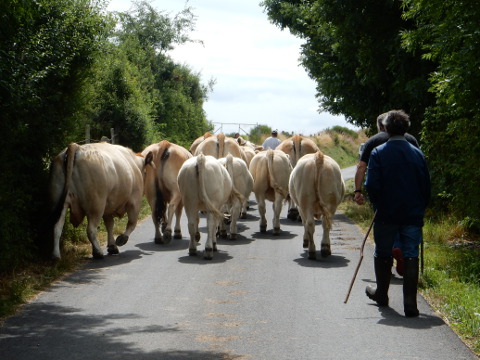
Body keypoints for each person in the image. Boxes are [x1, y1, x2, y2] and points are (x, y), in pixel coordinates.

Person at [364, 110, 430, 317]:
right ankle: (410, 303)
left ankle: (381, 294)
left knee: (383, 252)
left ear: (385, 128)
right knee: (411, 253)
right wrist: (420, 207)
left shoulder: (378, 153)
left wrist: (377, 205)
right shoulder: (417, 153)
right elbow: (425, 185)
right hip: (412, 213)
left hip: (386, 214)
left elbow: (372, 186)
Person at [354, 111, 419, 276]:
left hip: (384, 197)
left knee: (385, 230)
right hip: (409, 195)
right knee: (404, 227)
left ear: (382, 127)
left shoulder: (373, 142)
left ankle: (388, 259)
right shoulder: (411, 140)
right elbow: (419, 166)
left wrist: (358, 191)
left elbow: (361, 167)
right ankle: (400, 249)